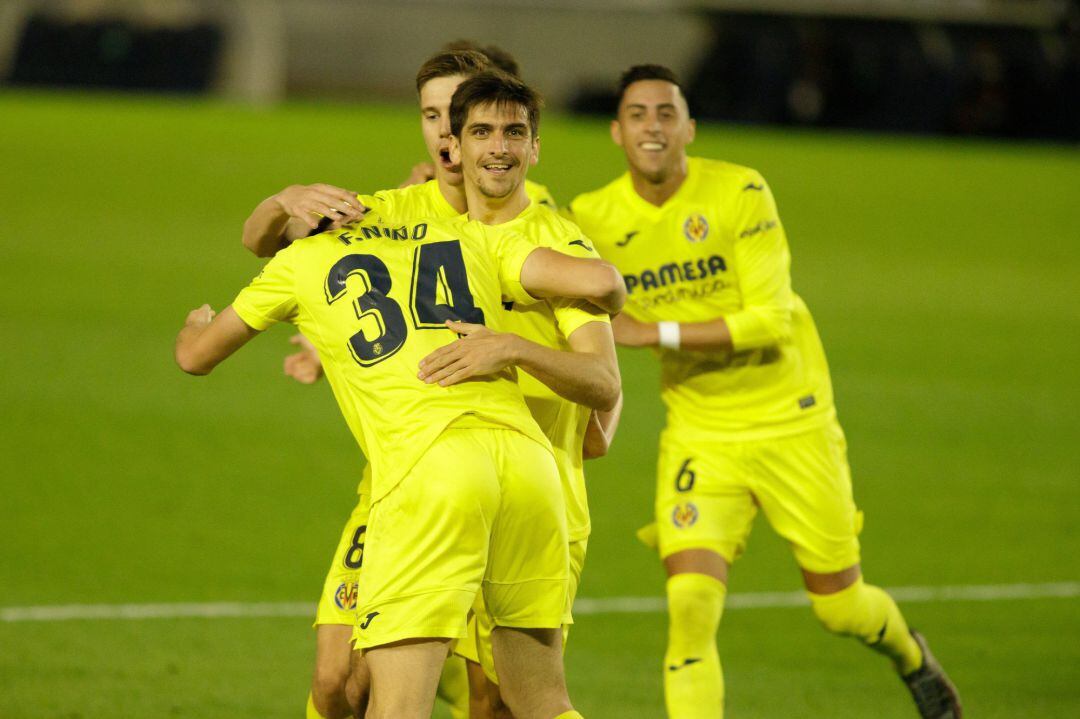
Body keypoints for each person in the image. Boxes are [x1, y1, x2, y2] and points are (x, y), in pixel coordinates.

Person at [567, 64, 962, 719]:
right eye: (638, 114)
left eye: (667, 113)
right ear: (616, 131)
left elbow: (767, 320)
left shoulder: (740, 192)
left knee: (840, 606)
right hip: (701, 431)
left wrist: (649, 332)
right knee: (690, 605)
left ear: (689, 126)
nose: (653, 127)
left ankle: (910, 655)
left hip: (791, 419)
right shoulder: (596, 216)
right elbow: (523, 239)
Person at [242, 50, 620, 719]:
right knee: (338, 682)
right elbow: (297, 256)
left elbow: (603, 391)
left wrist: (520, 357)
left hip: (523, 482)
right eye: (432, 117)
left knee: (493, 698)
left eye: (462, 119)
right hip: (415, 475)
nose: (446, 134)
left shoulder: (543, 236)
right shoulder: (395, 210)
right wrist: (329, 343)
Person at [176, 186, 625, 719]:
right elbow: (602, 285)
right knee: (541, 702)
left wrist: (194, 324)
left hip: (431, 467)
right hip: (530, 462)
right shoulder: (460, 238)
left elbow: (195, 356)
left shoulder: (296, 264)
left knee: (396, 707)